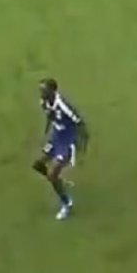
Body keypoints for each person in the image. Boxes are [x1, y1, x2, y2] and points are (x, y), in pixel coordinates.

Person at [32, 78, 88, 220]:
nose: (41, 93)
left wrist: (82, 147)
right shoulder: (44, 102)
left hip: (68, 140)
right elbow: (50, 117)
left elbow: (80, 123)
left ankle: (67, 204)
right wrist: (46, 134)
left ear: (53, 91)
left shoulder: (63, 105)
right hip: (56, 137)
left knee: (52, 175)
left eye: (44, 91)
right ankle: (57, 180)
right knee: (37, 165)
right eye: (41, 90)